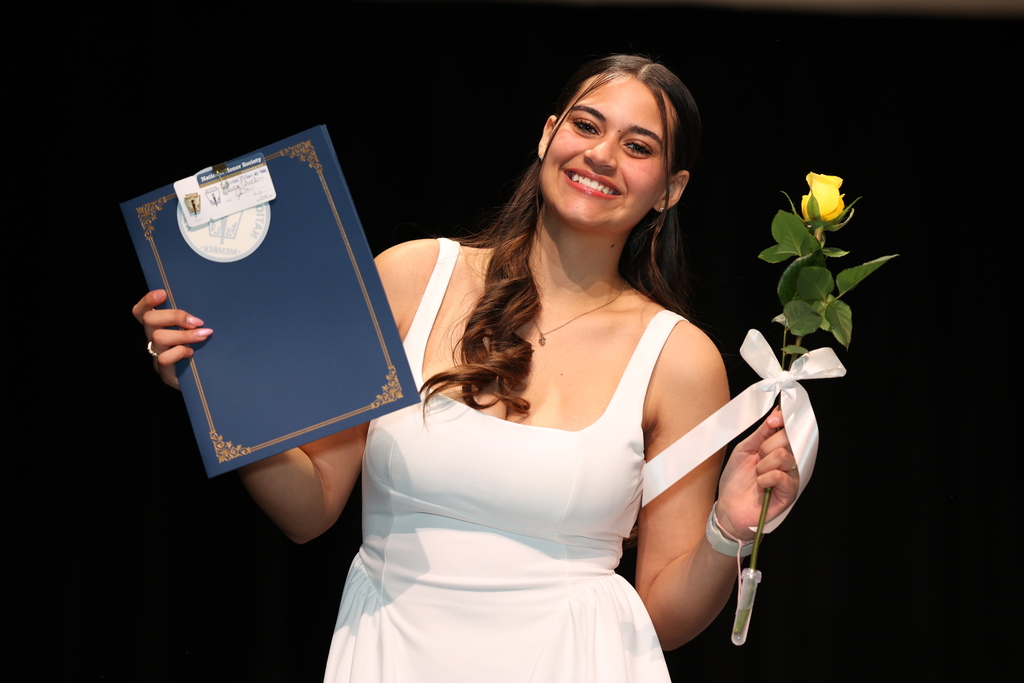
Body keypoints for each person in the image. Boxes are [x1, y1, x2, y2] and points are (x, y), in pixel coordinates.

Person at [133, 55, 799, 682]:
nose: (601, 154)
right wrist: (216, 384)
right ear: (548, 135)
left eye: (639, 145)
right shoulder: (411, 277)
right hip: (393, 656)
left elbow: (661, 615)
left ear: (670, 189)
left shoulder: (680, 358)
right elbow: (308, 508)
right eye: (586, 125)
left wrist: (729, 528)